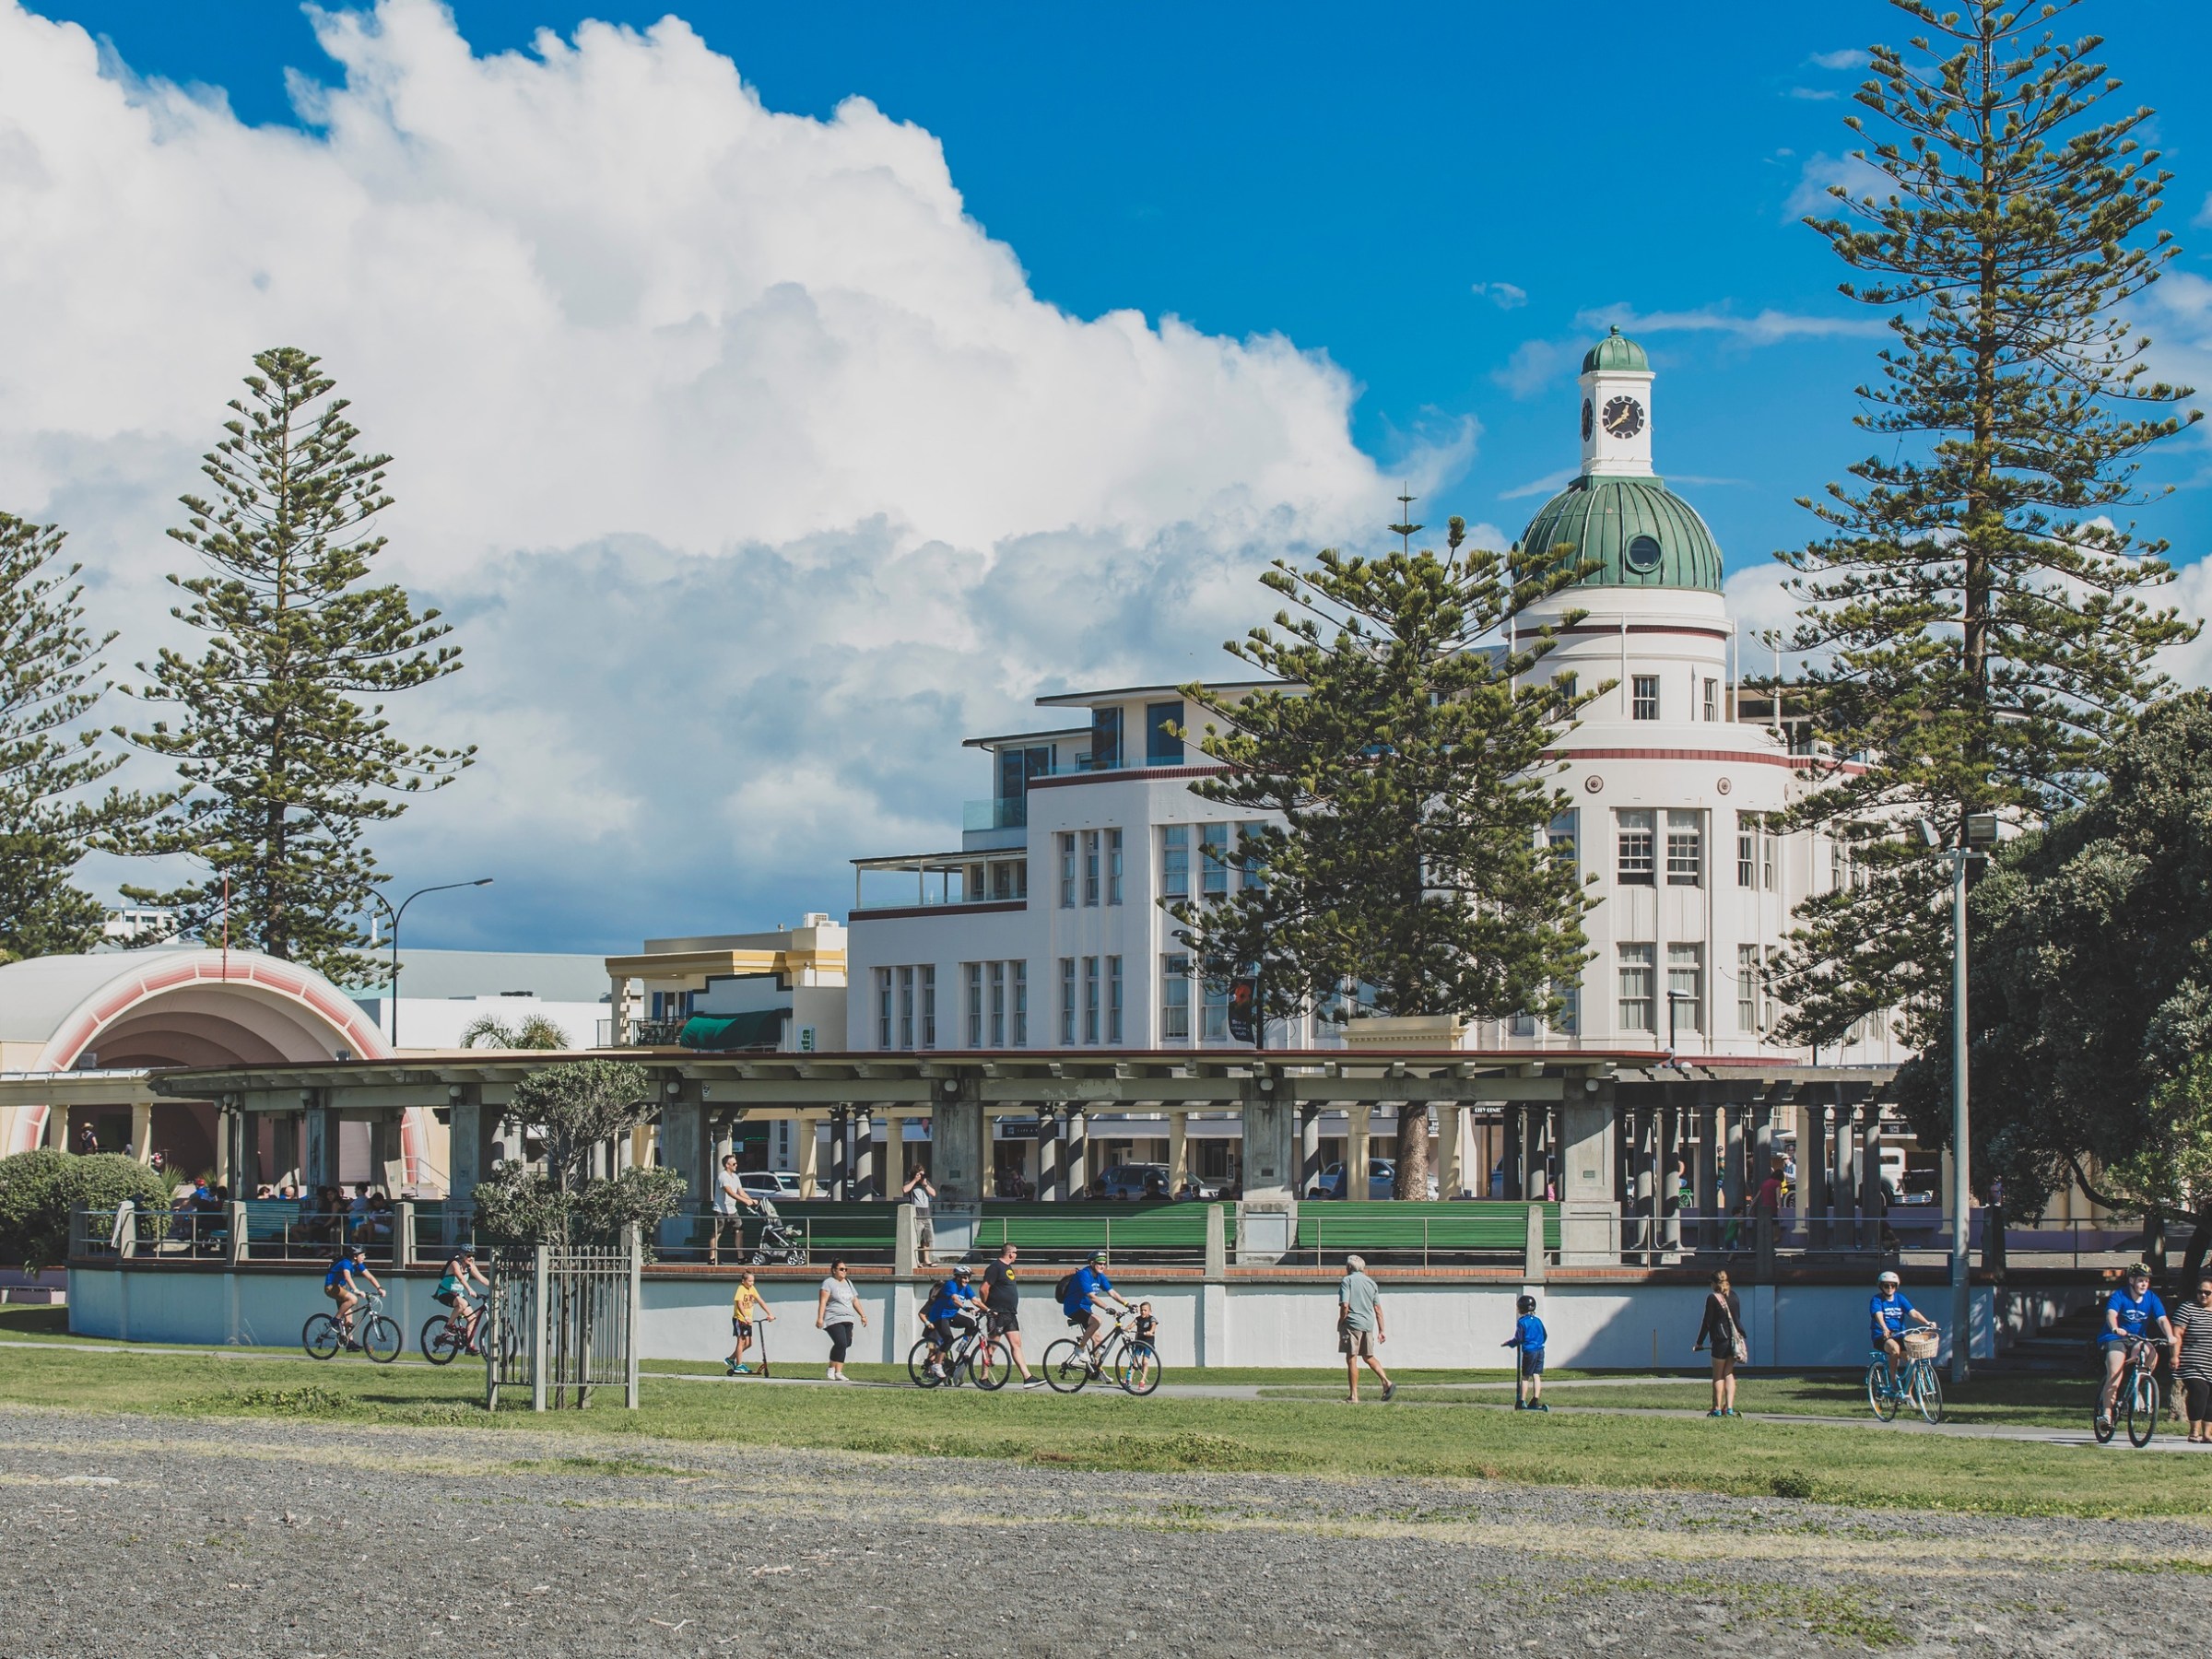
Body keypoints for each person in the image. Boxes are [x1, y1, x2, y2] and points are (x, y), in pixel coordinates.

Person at [2096, 1262, 2176, 1434]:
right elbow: (2111, 1314)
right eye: (2141, 1280)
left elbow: (2162, 1319)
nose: (2144, 1284)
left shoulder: (2151, 1298)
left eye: (2146, 1281)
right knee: (2115, 1372)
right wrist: (2115, 1327)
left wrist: (2170, 1335)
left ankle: (2138, 1385)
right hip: (2116, 1337)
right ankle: (2107, 1415)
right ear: (2131, 1280)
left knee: (2151, 1353)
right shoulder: (2120, 1296)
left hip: (2137, 1339)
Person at [981, 1241, 1042, 1388]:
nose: (1016, 1255)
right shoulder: (995, 1268)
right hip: (998, 1312)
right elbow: (984, 1289)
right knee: (993, 1345)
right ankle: (983, 1378)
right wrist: (987, 1307)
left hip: (1009, 1313)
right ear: (1010, 1253)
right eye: (1015, 1253)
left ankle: (1027, 1377)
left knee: (1016, 1344)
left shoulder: (1008, 1268)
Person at [1337, 1254, 1394, 1404]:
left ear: (1349, 1267)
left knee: (1351, 1358)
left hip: (1352, 1324)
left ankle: (1354, 1396)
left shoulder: (1347, 1281)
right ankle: (1387, 1382)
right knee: (1368, 1356)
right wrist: (1382, 1330)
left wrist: (1341, 1321)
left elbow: (1345, 1305)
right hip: (1368, 1324)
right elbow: (1378, 1309)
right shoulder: (1371, 1283)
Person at [1869, 1269, 1936, 1393]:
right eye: (1886, 1285)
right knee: (1894, 1349)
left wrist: (1927, 1323)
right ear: (1881, 1286)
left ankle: (1908, 1393)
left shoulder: (1900, 1299)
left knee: (1912, 1361)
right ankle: (1893, 1379)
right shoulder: (1877, 1300)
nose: (1890, 1288)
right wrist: (1884, 1328)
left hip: (1900, 1335)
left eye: (1893, 1285)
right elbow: (1878, 1314)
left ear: (1896, 1286)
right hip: (1882, 1336)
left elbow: (1913, 1313)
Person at [1060, 1250, 1129, 1368]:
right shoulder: (1084, 1274)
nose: (1102, 1266)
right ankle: (1080, 1348)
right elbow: (1092, 1297)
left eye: (1104, 1264)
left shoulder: (1100, 1277)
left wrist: (1126, 1304)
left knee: (1098, 1339)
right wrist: (1107, 1308)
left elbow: (1112, 1292)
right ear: (1092, 1263)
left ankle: (1097, 1369)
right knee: (1097, 1320)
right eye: (1099, 1263)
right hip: (1073, 1307)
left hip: (1086, 1309)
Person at [1694, 1270, 1745, 1417]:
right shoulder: (1734, 1296)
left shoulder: (1712, 1298)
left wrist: (1699, 1342)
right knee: (1729, 1373)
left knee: (1718, 1375)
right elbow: (1737, 1318)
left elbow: (1707, 1322)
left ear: (1713, 1283)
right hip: (1735, 1341)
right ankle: (1728, 1408)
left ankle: (1716, 1408)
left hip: (1720, 1340)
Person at [921, 1263, 983, 1380]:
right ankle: (937, 1365)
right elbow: (955, 1299)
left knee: (970, 1323)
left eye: (968, 1277)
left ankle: (962, 1346)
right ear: (958, 1277)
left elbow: (976, 1301)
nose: (967, 1280)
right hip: (939, 1316)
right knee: (947, 1339)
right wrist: (965, 1308)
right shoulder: (951, 1284)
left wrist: (989, 1310)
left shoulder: (966, 1288)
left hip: (951, 1315)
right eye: (964, 1277)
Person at [2171, 1275, 2212, 1443]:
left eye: (2207, 1293)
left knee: (2211, 1396)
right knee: (2200, 1391)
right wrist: (2174, 1356)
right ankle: (2194, 1431)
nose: (2203, 1295)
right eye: (2200, 1292)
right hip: (2191, 1361)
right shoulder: (2187, 1308)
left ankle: (2207, 1434)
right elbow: (2177, 1334)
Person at [815, 1260, 866, 1382]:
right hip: (833, 1318)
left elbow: (855, 1301)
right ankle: (831, 1368)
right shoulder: (828, 1283)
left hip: (848, 1318)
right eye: (841, 1269)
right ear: (834, 1270)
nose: (844, 1271)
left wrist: (862, 1315)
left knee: (846, 1343)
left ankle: (839, 1372)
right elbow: (823, 1301)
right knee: (841, 1343)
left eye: (845, 1269)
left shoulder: (848, 1283)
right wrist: (820, 1318)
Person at [433, 1248, 490, 1352]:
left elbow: (482, 1279)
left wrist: (497, 1289)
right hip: (445, 1293)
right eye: (468, 1255)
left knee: (472, 1318)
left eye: (473, 1255)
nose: (471, 1258)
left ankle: (470, 1346)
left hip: (458, 1295)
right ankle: (449, 1325)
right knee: (462, 1303)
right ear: (462, 1255)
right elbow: (460, 1278)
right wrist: (470, 1290)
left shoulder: (470, 1266)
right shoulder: (455, 1264)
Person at [709, 1154, 761, 1266]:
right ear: (727, 1165)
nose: (736, 1165)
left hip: (732, 1209)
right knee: (717, 1232)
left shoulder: (735, 1177)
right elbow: (730, 1192)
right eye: (734, 1164)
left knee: (739, 1230)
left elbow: (740, 1192)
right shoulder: (723, 1176)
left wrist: (751, 1200)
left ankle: (741, 1257)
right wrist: (744, 1201)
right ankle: (712, 1258)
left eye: (736, 1163)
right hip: (721, 1209)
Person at [324, 1245, 381, 1346]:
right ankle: (335, 1321)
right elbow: (348, 1277)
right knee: (353, 1299)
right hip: (331, 1287)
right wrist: (356, 1290)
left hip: (341, 1288)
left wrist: (379, 1288)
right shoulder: (346, 1263)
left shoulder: (357, 1264)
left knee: (349, 1317)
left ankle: (349, 1343)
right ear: (355, 1256)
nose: (364, 1257)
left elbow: (370, 1276)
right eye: (362, 1255)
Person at [1506, 1293, 1547, 1411]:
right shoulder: (1538, 1320)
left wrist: (1511, 1343)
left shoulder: (1522, 1322)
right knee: (1536, 1375)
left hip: (1529, 1351)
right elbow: (1544, 1335)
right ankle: (1535, 1399)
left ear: (1522, 1308)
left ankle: (1521, 1400)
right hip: (1540, 1350)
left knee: (1525, 1377)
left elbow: (1519, 1338)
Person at [727, 1271, 772, 1376]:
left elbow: (760, 1300)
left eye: (753, 1281)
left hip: (748, 1320)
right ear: (743, 1281)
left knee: (749, 1343)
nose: (752, 1283)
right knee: (741, 1341)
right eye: (749, 1281)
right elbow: (739, 1303)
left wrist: (770, 1313)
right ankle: (739, 1365)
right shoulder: (741, 1288)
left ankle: (731, 1359)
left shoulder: (752, 1289)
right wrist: (745, 1316)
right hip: (740, 1319)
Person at [903, 1168, 937, 1267]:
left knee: (927, 1238)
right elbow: (905, 1189)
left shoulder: (926, 1183)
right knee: (916, 1239)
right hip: (916, 1215)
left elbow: (934, 1194)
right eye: (919, 1174)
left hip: (926, 1214)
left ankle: (926, 1260)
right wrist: (915, 1180)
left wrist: (925, 1184)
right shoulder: (910, 1182)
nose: (922, 1176)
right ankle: (916, 1260)